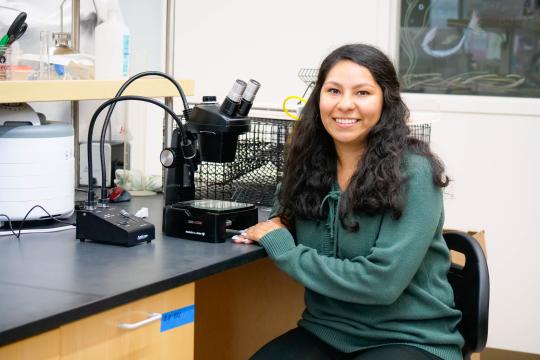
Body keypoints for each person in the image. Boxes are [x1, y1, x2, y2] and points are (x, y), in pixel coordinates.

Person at [233, 43, 464, 360]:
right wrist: (279, 223)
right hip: (325, 331)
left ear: (386, 100)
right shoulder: (309, 161)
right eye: (333, 91)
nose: (345, 105)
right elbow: (282, 215)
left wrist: (284, 249)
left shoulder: (414, 172)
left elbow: (382, 283)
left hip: (410, 339)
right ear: (319, 99)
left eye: (362, 93)